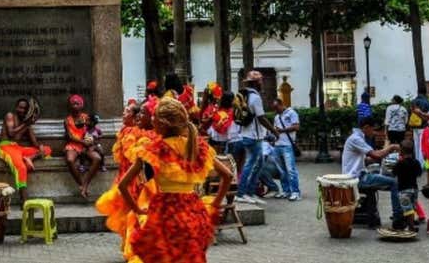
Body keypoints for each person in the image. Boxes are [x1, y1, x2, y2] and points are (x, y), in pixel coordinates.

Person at [119, 97, 232, 263]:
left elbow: (123, 185)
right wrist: (215, 203)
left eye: (154, 118)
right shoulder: (197, 147)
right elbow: (228, 176)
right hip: (193, 211)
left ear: (163, 123)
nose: (152, 120)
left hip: (165, 212)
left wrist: (137, 209)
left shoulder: (152, 149)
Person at [341, 116, 403, 228]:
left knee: (384, 176)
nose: (374, 133)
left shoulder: (357, 137)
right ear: (366, 127)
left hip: (359, 174)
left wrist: (384, 154)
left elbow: (369, 159)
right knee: (394, 183)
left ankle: (394, 215)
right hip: (356, 178)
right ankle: (398, 218)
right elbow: (375, 155)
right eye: (373, 129)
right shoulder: (356, 139)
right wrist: (391, 147)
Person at [96, 100, 140, 245]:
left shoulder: (135, 132)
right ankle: (129, 243)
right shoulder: (124, 130)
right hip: (124, 175)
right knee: (125, 212)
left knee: (131, 212)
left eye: (127, 111)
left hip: (133, 178)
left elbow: (134, 158)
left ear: (134, 117)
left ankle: (132, 245)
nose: (123, 113)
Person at [235, 70, 280, 205]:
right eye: (260, 81)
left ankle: (249, 192)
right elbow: (261, 118)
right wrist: (274, 131)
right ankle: (241, 193)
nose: (262, 83)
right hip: (253, 137)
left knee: (257, 164)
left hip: (246, 134)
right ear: (255, 83)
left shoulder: (245, 95)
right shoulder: (255, 97)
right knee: (251, 164)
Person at [0, 98, 51, 203]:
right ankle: (24, 199)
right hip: (6, 146)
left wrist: (40, 147)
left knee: (47, 149)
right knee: (21, 167)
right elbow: (11, 133)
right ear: (16, 107)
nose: (22, 110)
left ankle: (29, 158)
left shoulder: (26, 123)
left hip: (18, 148)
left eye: (25, 108)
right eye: (20, 107)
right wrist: (26, 124)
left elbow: (34, 143)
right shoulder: (10, 116)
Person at [64, 94, 103, 198]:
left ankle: (85, 184)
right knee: (70, 160)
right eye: (73, 104)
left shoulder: (87, 117)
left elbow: (95, 130)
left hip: (87, 145)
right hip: (74, 144)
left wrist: (90, 141)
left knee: (97, 158)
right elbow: (70, 136)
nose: (75, 106)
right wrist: (82, 142)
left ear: (81, 105)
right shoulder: (67, 120)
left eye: (77, 104)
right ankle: (82, 184)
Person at [273, 98, 301, 201]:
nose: (275, 110)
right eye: (274, 108)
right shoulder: (276, 117)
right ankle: (286, 191)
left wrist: (282, 130)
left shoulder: (291, 113)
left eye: (277, 108)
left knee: (290, 170)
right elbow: (275, 129)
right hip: (277, 145)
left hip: (287, 145)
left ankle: (295, 192)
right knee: (281, 171)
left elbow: (296, 127)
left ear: (281, 104)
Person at [392, 140, 422, 232]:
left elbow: (394, 173)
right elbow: (419, 173)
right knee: (412, 208)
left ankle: (411, 227)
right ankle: (410, 225)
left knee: (407, 209)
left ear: (401, 151)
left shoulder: (400, 163)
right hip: (414, 189)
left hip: (404, 190)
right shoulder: (416, 162)